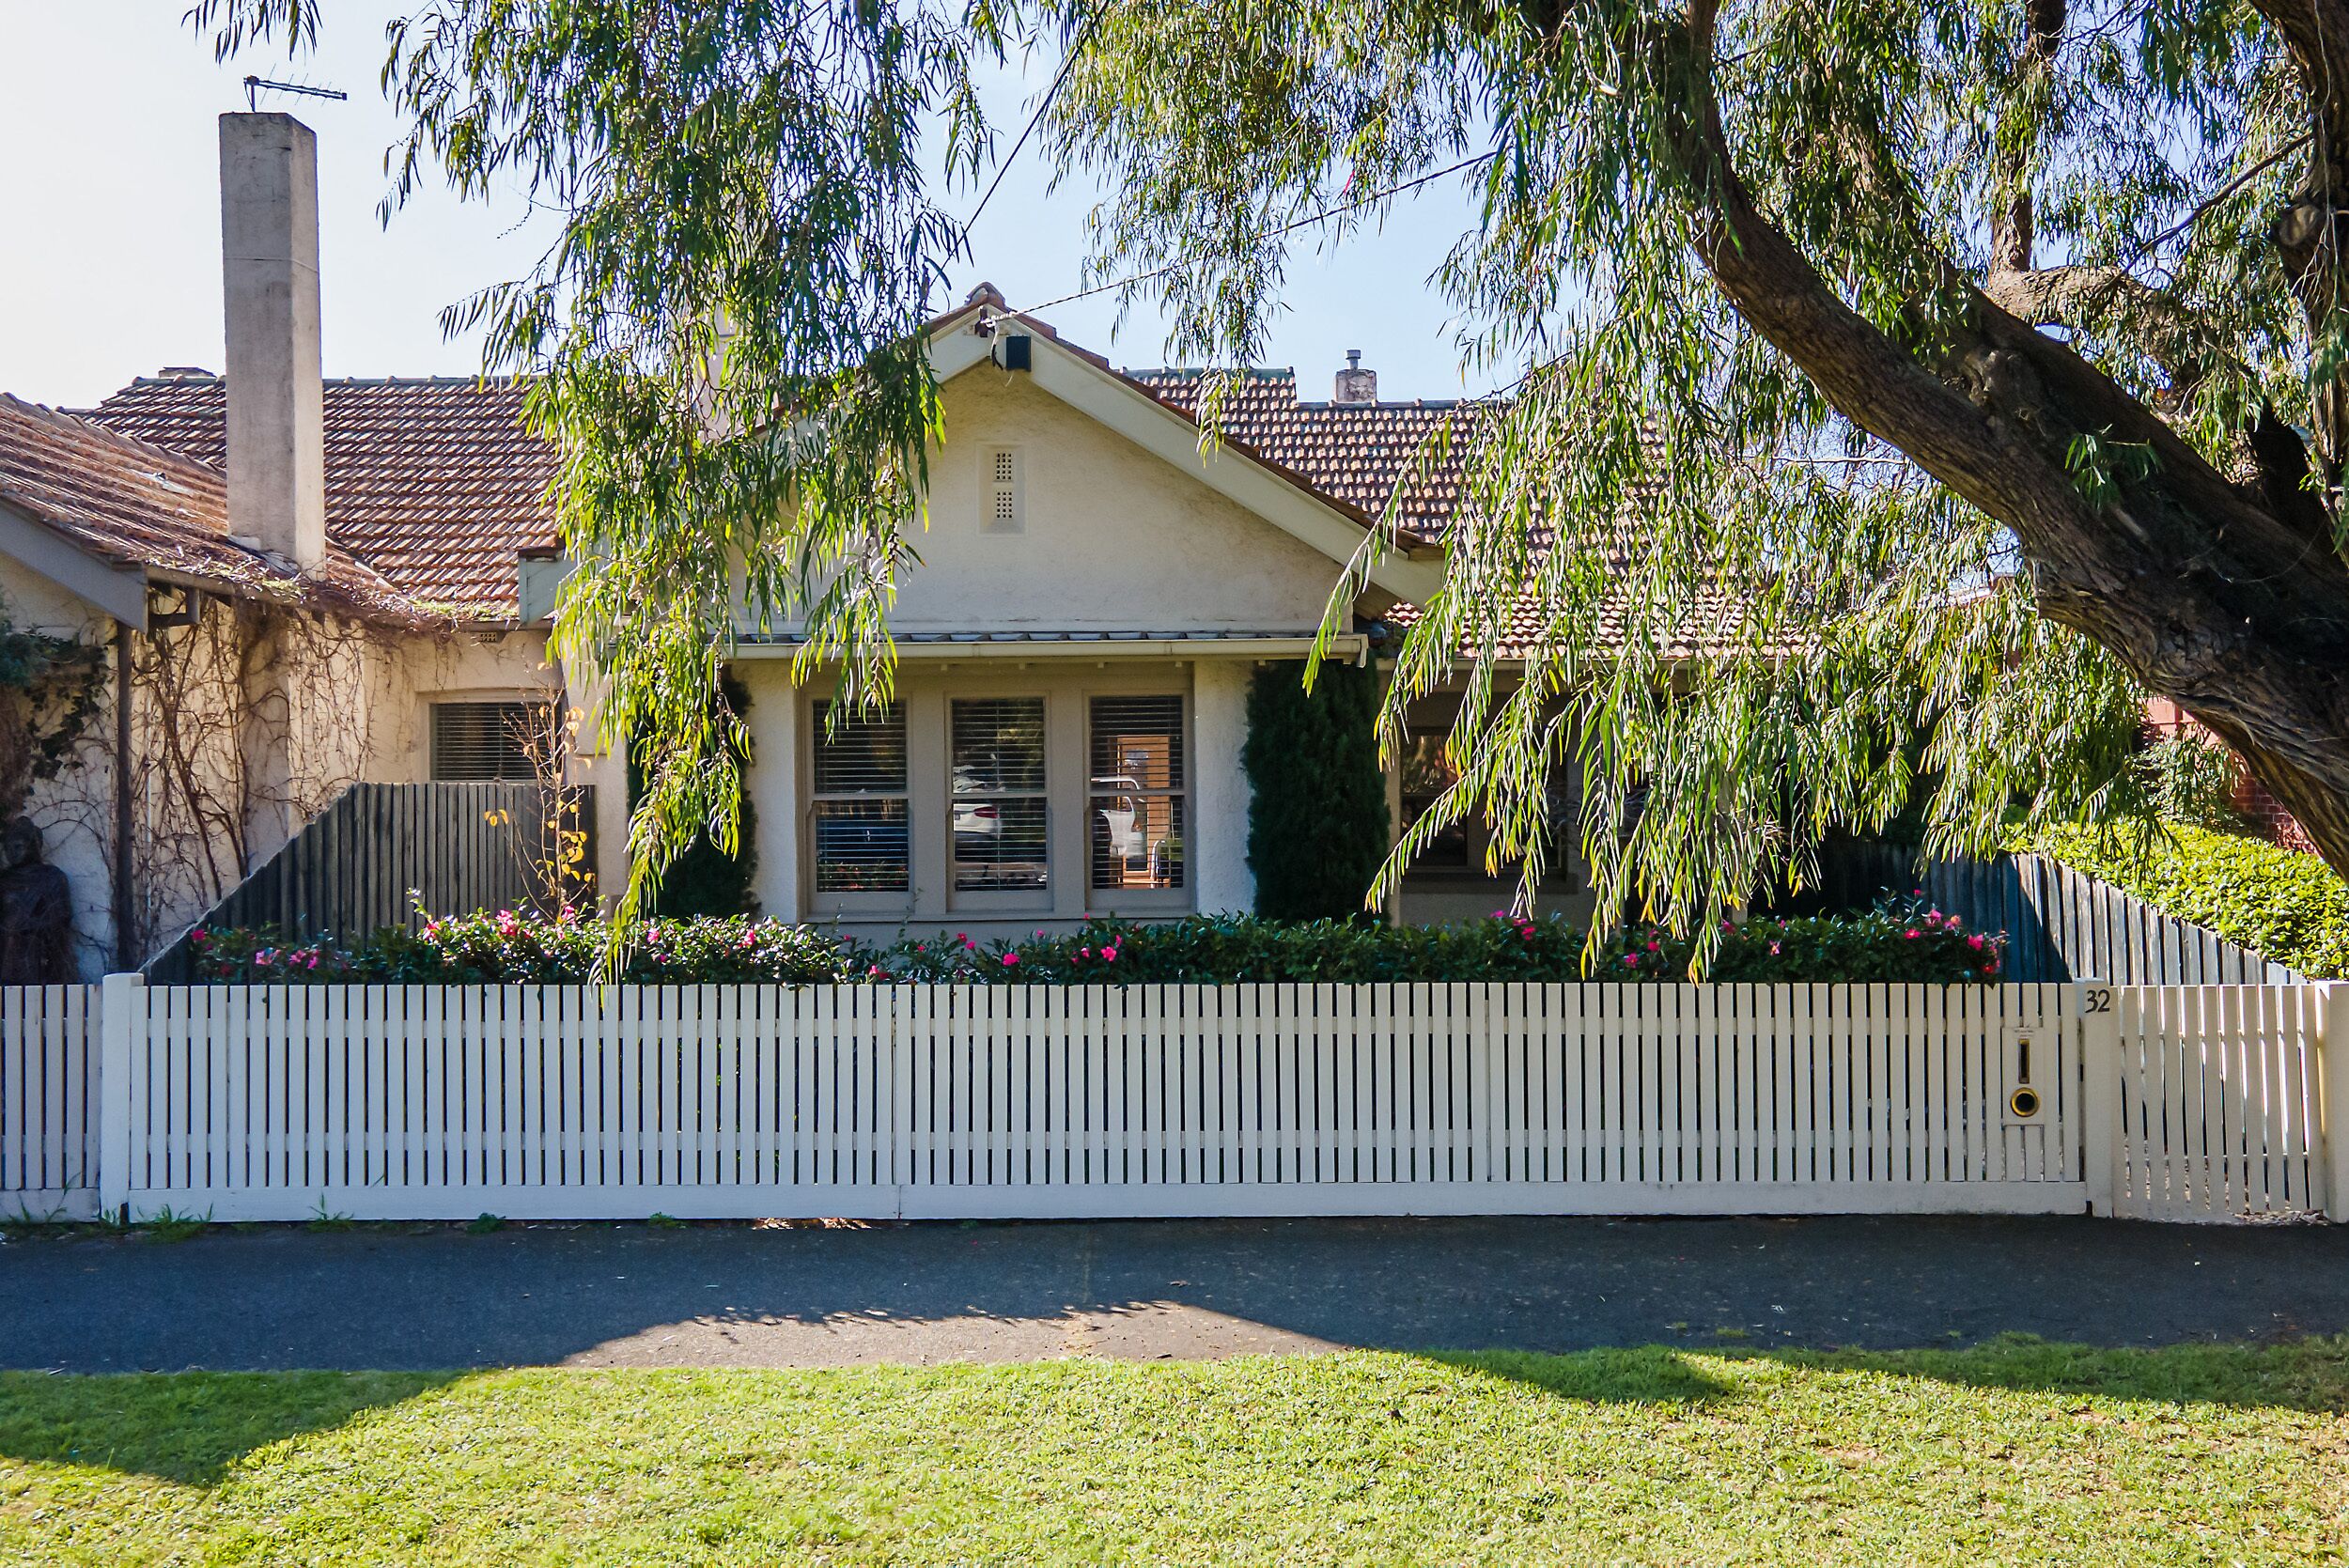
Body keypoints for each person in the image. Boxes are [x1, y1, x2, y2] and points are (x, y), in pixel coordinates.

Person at [0, 816, 74, 983]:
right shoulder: (3, 881)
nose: (12, 853)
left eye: (18, 847)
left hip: (39, 956)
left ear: (32, 846)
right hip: (6, 956)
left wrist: (25, 928)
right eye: (7, 848)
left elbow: (61, 918)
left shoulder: (52, 877)